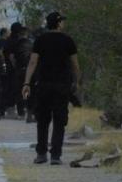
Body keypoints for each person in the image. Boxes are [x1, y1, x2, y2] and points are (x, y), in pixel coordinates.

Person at [22, 12, 80, 165]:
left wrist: (26, 83)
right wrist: (76, 82)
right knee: (59, 121)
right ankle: (55, 155)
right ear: (58, 23)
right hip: (62, 86)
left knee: (43, 120)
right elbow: (75, 64)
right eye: (62, 21)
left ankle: (41, 153)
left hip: (43, 85)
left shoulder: (40, 40)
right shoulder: (67, 40)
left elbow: (33, 62)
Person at [9, 25, 33, 120]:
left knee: (19, 91)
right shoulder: (31, 43)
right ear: (26, 34)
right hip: (29, 70)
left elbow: (11, 57)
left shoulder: (15, 43)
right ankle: (30, 112)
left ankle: (21, 113)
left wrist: (15, 65)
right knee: (29, 89)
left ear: (19, 34)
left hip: (19, 70)